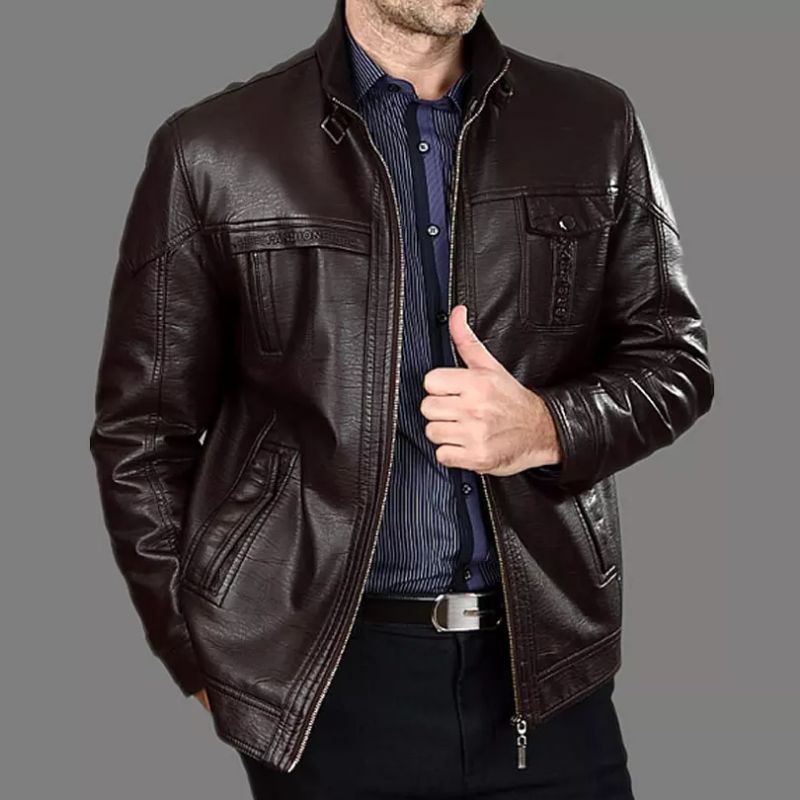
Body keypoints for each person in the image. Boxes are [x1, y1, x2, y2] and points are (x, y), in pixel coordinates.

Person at [88, 0, 714, 797]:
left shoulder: (592, 122)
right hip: (323, 682)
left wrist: (548, 427)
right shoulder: (216, 149)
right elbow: (142, 434)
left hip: (548, 672)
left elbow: (674, 361)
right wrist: (194, 654)